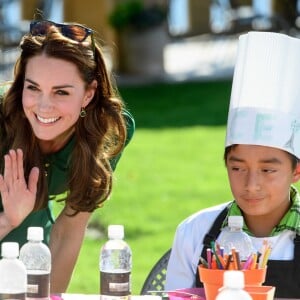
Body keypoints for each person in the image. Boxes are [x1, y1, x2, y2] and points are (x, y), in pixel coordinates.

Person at [0, 18, 135, 293]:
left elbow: (70, 228)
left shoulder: (107, 130)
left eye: (61, 91)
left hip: (32, 241)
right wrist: (8, 220)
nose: (43, 106)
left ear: (88, 93)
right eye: (33, 87)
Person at [165, 31, 300, 298]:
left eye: (268, 170)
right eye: (238, 168)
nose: (251, 185)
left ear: (296, 171)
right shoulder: (194, 231)